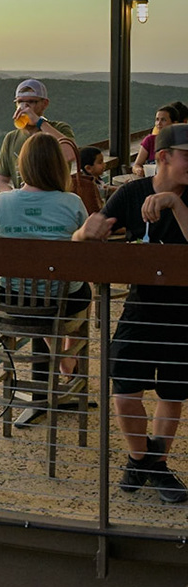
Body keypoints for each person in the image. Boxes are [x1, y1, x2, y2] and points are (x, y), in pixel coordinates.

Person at [76, 122, 188, 502]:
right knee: (124, 389)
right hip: (140, 308)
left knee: (172, 393)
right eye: (187, 156)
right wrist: (83, 235)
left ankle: (150, 464)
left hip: (183, 312)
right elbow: (90, 238)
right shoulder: (132, 193)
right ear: (162, 158)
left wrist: (176, 204)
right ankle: (146, 461)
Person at [0, 133, 91, 424]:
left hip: (11, 304)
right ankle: (65, 359)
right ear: (59, 166)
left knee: (39, 301)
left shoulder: (0, 203)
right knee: (75, 294)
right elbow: (87, 254)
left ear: (23, 166)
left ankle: (44, 389)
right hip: (63, 302)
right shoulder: (72, 203)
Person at [0, 79, 79, 193]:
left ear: (44, 104)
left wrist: (39, 122)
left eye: (31, 101)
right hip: (24, 204)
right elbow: (0, 181)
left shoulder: (60, 128)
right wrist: (14, 197)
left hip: (54, 203)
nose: (25, 107)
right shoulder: (11, 138)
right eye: (20, 102)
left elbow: (71, 154)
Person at [134, 102, 188, 173]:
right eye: (157, 119)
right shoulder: (150, 140)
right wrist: (138, 170)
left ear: (174, 123)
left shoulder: (181, 144)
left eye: (163, 120)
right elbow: (137, 164)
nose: (159, 123)